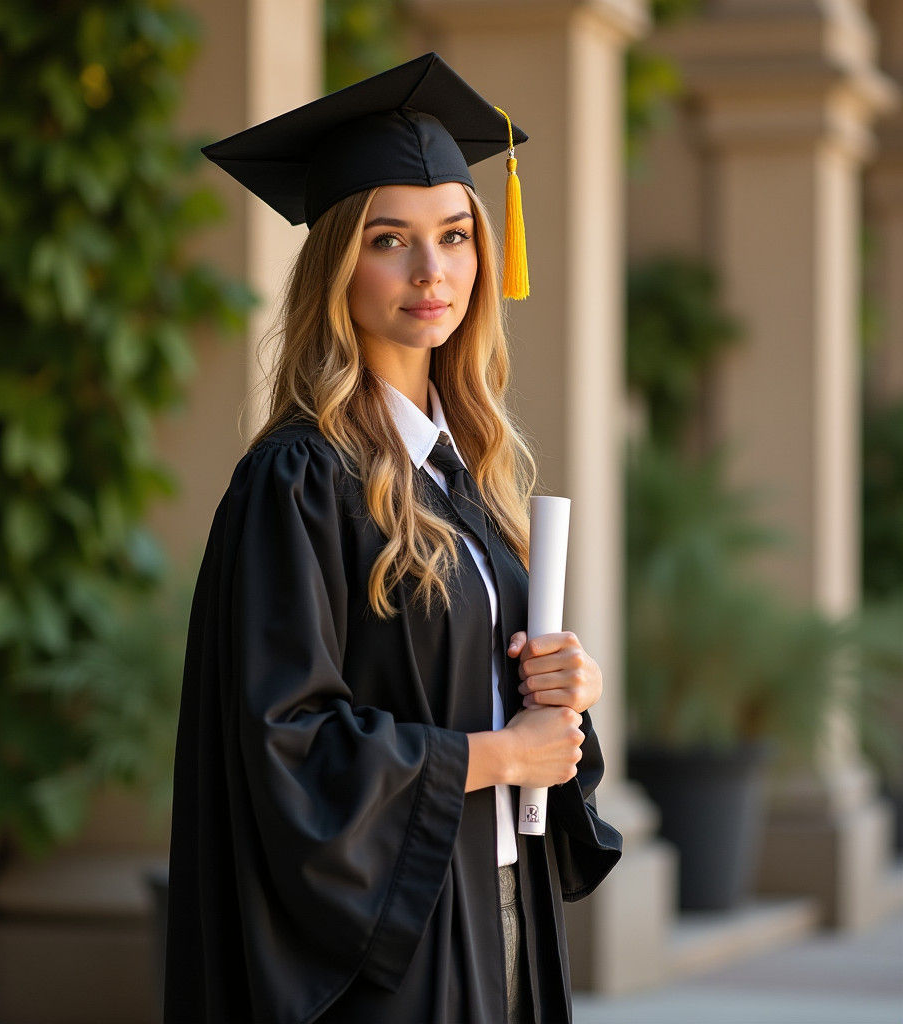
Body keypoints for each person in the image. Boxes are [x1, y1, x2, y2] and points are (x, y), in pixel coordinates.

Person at [163, 52, 622, 1024]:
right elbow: (285, 742)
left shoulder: (468, 472)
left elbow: (474, 693)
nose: (431, 273)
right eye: (389, 239)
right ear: (338, 260)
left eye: (455, 238)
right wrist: (499, 752)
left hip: (501, 905)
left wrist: (551, 689)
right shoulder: (299, 478)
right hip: (394, 950)